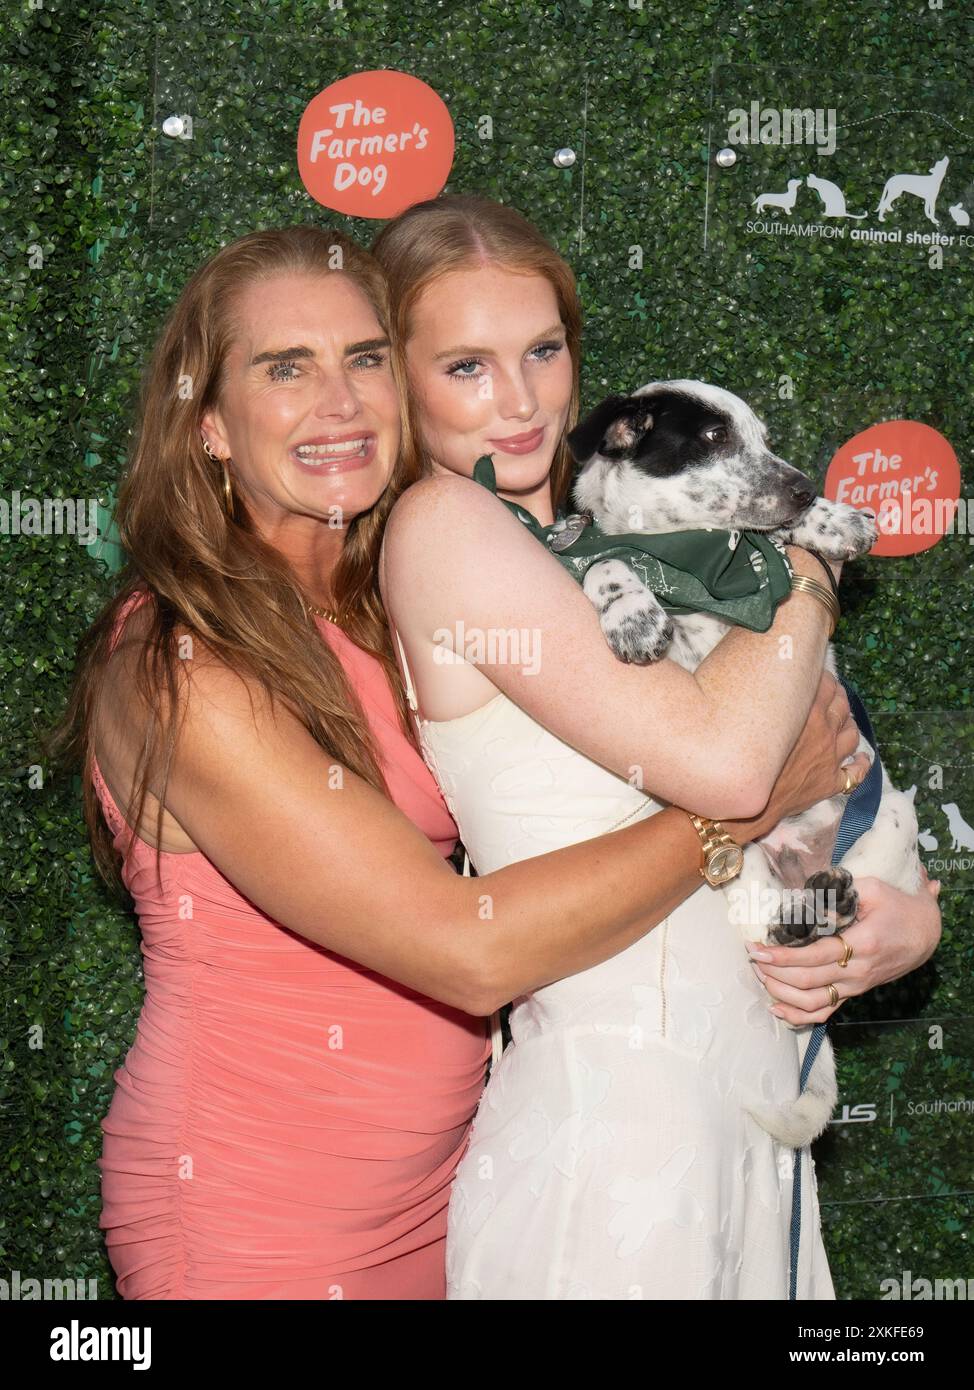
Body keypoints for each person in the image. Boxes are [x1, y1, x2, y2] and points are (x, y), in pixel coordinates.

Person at [43, 225, 869, 1300]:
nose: (337, 403)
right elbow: (462, 950)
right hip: (256, 1214)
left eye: (365, 358)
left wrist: (856, 921)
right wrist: (732, 818)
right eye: (284, 368)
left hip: (449, 1188)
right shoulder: (177, 665)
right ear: (207, 424)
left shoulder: (398, 596)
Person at [371, 193, 942, 1298]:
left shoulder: (599, 543)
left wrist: (893, 924)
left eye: (540, 350)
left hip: (739, 1111)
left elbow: (788, 799)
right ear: (395, 378)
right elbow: (735, 768)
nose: (522, 400)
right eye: (465, 368)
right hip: (621, 1143)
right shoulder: (447, 527)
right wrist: (811, 563)